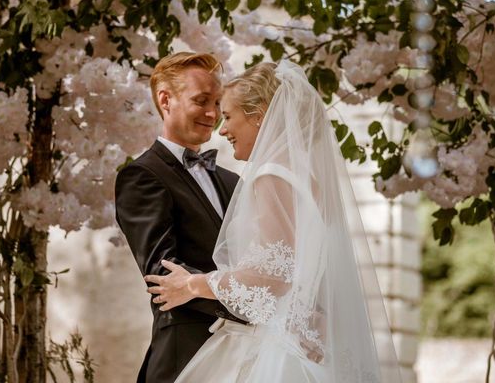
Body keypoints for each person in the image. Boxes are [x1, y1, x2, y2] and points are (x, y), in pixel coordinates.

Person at [145, 61, 403, 382]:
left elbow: (270, 275)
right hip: (308, 342)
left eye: (227, 116)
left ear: (258, 115)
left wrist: (193, 284)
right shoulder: (310, 182)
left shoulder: (269, 175)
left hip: (277, 351)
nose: (222, 131)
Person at [115, 52, 246, 383]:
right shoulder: (143, 175)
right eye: (201, 100)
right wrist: (251, 304)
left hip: (247, 355)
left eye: (217, 103)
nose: (212, 114)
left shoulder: (233, 181)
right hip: (186, 355)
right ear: (165, 100)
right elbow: (163, 274)